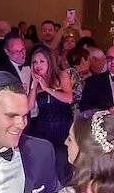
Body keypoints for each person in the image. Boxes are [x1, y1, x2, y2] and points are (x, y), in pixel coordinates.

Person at [24, 43, 76, 183]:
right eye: (34, 62)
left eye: (41, 61)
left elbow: (69, 98)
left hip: (63, 125)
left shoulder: (61, 75)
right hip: (43, 126)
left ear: (49, 61)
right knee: (44, 162)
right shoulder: (35, 81)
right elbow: (29, 107)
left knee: (61, 160)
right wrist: (34, 85)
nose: (37, 65)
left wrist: (47, 88)